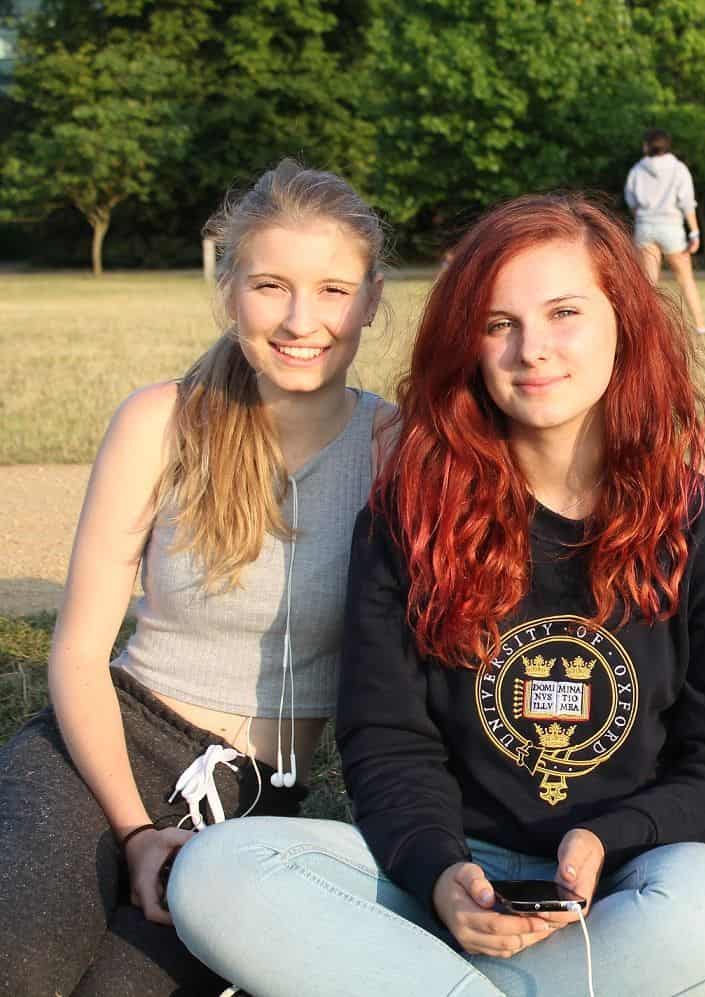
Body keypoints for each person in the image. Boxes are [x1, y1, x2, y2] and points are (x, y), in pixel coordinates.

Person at [168, 193, 705, 997]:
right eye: (499, 324)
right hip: (440, 883)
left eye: (564, 311)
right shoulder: (410, 521)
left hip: (624, 896)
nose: (533, 349)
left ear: (624, 321)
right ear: (468, 345)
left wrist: (608, 838)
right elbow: (388, 741)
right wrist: (439, 872)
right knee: (219, 869)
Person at [0, 159, 390, 997]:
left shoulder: (397, 446)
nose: (299, 320)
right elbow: (76, 651)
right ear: (229, 289)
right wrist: (136, 831)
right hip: (103, 747)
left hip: (245, 809)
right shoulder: (161, 421)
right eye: (270, 285)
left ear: (372, 299)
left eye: (332, 290)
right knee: (19, 965)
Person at [624, 127, 705, 335]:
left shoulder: (637, 169)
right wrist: (694, 232)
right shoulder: (678, 168)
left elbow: (632, 202)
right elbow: (687, 203)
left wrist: (643, 220)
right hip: (671, 228)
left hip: (645, 227)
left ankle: (645, 330)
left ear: (647, 145)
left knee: (648, 283)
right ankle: (699, 326)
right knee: (685, 278)